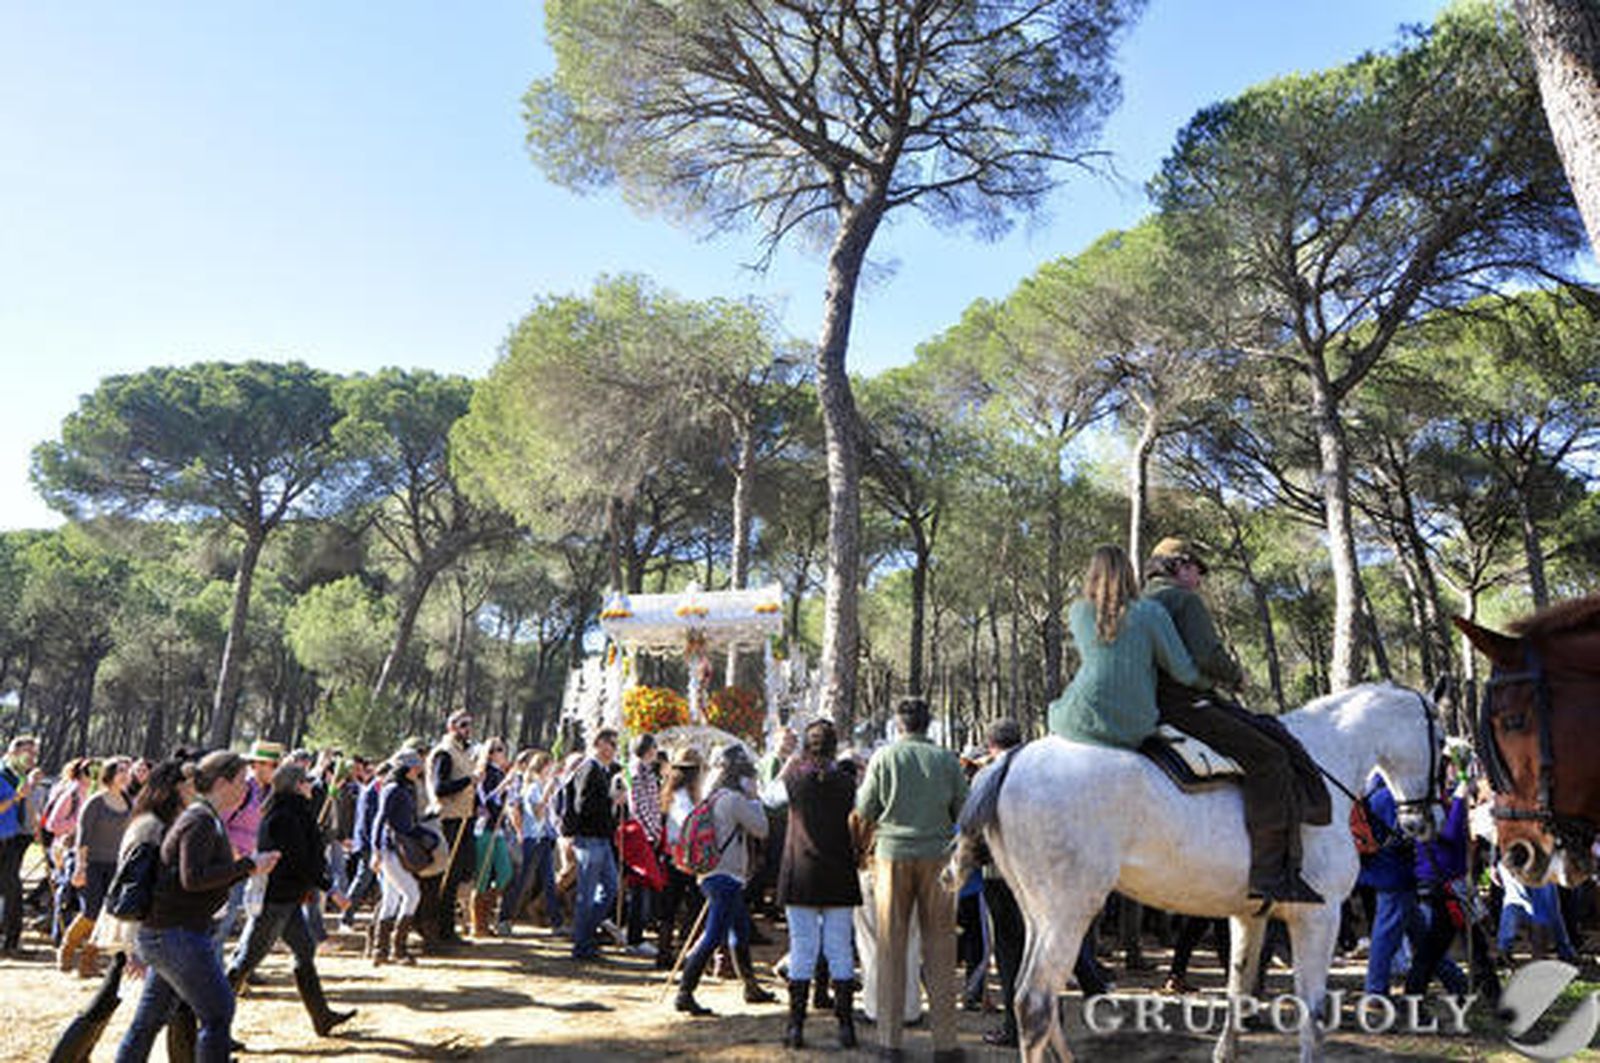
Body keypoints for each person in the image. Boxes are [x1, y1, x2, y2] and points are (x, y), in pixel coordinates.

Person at [1143, 537, 1322, 906]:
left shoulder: (1141, 600)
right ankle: (1269, 872)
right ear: (1178, 566)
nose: (1200, 579)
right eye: (1196, 569)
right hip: (1184, 703)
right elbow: (1207, 654)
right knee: (1269, 757)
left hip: (1149, 702)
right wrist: (1235, 675)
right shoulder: (1182, 600)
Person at [115, 750, 280, 1063]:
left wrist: (247, 867)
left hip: (169, 933)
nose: (247, 789)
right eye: (241, 781)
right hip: (176, 934)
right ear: (222, 782)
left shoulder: (203, 817)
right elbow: (193, 878)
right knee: (218, 1012)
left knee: (147, 1023)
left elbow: (193, 878)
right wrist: (247, 866)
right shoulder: (200, 820)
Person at [855, 698, 969, 1061]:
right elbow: (964, 811)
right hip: (938, 858)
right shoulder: (947, 760)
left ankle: (890, 1043)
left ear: (898, 724)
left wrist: (861, 851)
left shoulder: (883, 758)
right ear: (928, 723)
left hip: (891, 857)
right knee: (940, 948)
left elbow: (864, 810)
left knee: (891, 947)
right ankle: (946, 1045)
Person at [225, 762, 356, 1036]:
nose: (311, 785)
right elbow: (301, 861)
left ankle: (321, 1017)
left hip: (288, 898)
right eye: (307, 781)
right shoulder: (286, 815)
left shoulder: (292, 812)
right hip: (275, 901)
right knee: (245, 962)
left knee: (304, 951)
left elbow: (307, 856)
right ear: (297, 785)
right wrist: (330, 889)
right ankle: (214, 1027)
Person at [773, 718, 861, 1049]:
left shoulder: (794, 780)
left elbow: (769, 800)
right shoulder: (847, 782)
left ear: (806, 747)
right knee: (839, 949)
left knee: (802, 947)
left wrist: (787, 767)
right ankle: (846, 1028)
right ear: (834, 746)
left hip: (802, 871)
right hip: (838, 870)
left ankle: (795, 1027)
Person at [674, 744, 774, 1015]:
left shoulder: (713, 796)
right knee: (714, 934)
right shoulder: (734, 799)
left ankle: (751, 987)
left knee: (739, 930)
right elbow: (761, 829)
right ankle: (685, 990)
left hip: (712, 874)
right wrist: (755, 799)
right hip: (726, 875)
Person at [60, 756, 133, 977]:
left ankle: (87, 961)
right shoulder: (96, 802)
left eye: (127, 771)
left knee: (107, 914)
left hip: (116, 865)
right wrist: (80, 867)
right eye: (120, 770)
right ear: (109, 774)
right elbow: (83, 838)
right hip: (91, 863)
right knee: (91, 911)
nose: (125, 774)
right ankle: (67, 949)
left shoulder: (129, 802)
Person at [216, 740, 280, 947]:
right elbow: (219, 821)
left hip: (254, 861)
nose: (276, 770)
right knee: (223, 917)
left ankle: (239, 966)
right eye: (273, 765)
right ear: (257, 765)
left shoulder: (271, 792)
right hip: (230, 861)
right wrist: (232, 850)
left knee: (249, 912)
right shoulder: (241, 789)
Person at [372, 749, 433, 967]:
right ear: (406, 768)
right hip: (391, 849)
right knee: (412, 894)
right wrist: (376, 850)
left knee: (391, 899)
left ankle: (381, 950)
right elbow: (380, 820)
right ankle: (398, 948)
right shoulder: (393, 789)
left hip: (396, 848)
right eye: (416, 766)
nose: (419, 770)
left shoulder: (405, 789)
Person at [424, 709, 480, 947]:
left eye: (469, 725)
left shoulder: (462, 753)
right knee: (447, 877)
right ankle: (441, 929)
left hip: (464, 819)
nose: (468, 730)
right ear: (452, 727)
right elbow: (439, 787)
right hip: (449, 821)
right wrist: (468, 781)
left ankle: (449, 927)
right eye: (463, 725)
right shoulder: (444, 753)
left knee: (460, 875)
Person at [568, 728, 624, 961]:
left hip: (602, 838)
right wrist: (611, 800)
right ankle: (582, 944)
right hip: (589, 838)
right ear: (600, 743)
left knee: (611, 888)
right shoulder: (589, 769)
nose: (614, 749)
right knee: (587, 894)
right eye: (611, 743)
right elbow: (582, 806)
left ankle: (586, 934)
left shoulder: (604, 771)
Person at [657, 746, 705, 969]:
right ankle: (677, 953)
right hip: (682, 857)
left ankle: (668, 951)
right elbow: (684, 828)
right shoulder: (681, 797)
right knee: (691, 904)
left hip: (675, 856)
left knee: (673, 905)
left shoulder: (673, 793)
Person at [503, 751, 561, 933]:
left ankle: (556, 921)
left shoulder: (540, 786)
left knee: (549, 880)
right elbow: (537, 813)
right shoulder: (533, 788)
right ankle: (504, 917)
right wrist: (547, 794)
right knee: (522, 880)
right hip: (532, 838)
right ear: (543, 767)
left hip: (543, 838)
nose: (552, 770)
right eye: (550, 766)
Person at [0, 735, 44, 955]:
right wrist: (17, 797)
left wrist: (33, 824)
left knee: (11, 891)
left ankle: (10, 942)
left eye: (35, 753)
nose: (33, 758)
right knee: (12, 891)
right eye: (30, 752)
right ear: (15, 752)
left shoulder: (19, 776)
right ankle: (9, 943)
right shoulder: (2, 774)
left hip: (11, 838)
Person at [469, 738, 514, 937]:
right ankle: (478, 924)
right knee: (483, 875)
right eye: (498, 750)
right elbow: (485, 800)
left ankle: (487, 915)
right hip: (484, 827)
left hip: (498, 828)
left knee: (505, 873)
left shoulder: (500, 773)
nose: (502, 753)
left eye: (502, 749)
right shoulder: (485, 773)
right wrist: (503, 787)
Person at [624, 733, 662, 958]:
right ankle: (634, 937)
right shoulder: (638, 771)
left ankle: (635, 934)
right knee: (639, 888)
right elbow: (640, 805)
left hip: (646, 832)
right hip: (642, 834)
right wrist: (654, 830)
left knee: (641, 888)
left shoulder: (642, 770)